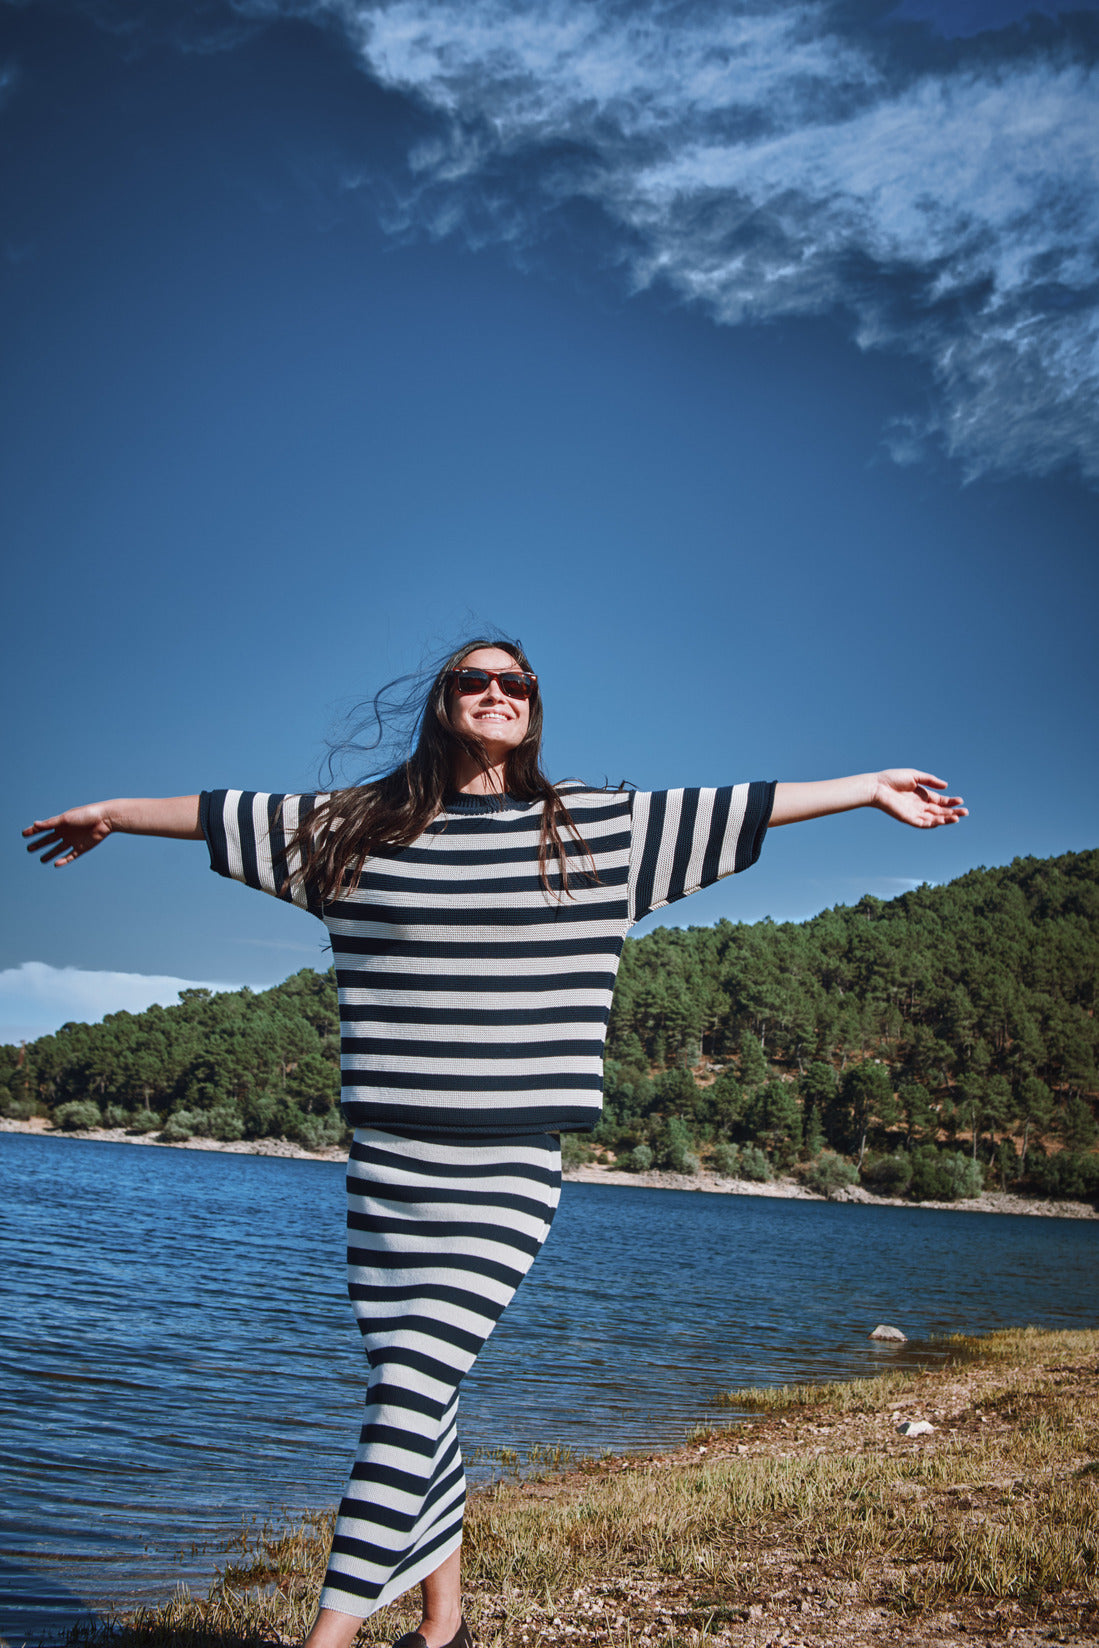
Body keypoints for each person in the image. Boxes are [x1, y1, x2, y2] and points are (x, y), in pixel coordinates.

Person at [24, 638, 966, 1648]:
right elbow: (227, 813)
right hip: (385, 1167)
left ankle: (325, 1641)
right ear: (442, 704)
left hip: (506, 1164)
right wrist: (115, 813)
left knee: (411, 1390)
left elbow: (733, 803)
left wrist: (867, 787)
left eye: (514, 682)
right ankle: (443, 1628)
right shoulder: (359, 829)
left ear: (533, 707)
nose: (494, 692)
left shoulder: (596, 830)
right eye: (473, 679)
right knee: (413, 1393)